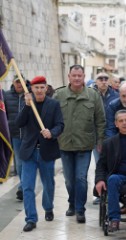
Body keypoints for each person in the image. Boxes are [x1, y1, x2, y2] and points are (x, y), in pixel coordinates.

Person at [53, 64, 106, 223]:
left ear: (84, 77)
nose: (77, 78)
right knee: (69, 179)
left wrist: (100, 140)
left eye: (79, 76)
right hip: (65, 144)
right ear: (69, 76)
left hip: (84, 144)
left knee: (81, 178)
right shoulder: (59, 95)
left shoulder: (93, 95)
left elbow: (101, 120)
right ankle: (72, 203)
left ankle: (80, 209)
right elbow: (51, 117)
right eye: (74, 75)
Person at [16, 76, 64, 232]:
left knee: (48, 184)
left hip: (46, 151)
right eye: (36, 88)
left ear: (46, 88)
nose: (39, 90)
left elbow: (60, 124)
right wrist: (27, 106)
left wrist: (52, 132)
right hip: (29, 152)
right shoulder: (27, 104)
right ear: (32, 89)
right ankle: (31, 219)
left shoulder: (54, 104)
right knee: (28, 187)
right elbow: (19, 123)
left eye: (42, 87)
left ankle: (48, 207)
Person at [92, 72, 118, 204]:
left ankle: (111, 192)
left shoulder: (116, 96)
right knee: (99, 164)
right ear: (95, 81)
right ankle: (100, 193)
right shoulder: (91, 95)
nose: (103, 81)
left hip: (113, 137)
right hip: (97, 137)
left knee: (112, 164)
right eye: (100, 79)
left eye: (105, 78)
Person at [3, 74, 30, 201]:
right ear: (13, 83)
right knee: (19, 164)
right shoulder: (7, 96)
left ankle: (24, 187)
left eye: (21, 82)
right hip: (15, 135)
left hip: (29, 135)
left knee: (28, 163)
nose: (19, 84)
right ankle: (23, 186)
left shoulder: (30, 95)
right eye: (17, 82)